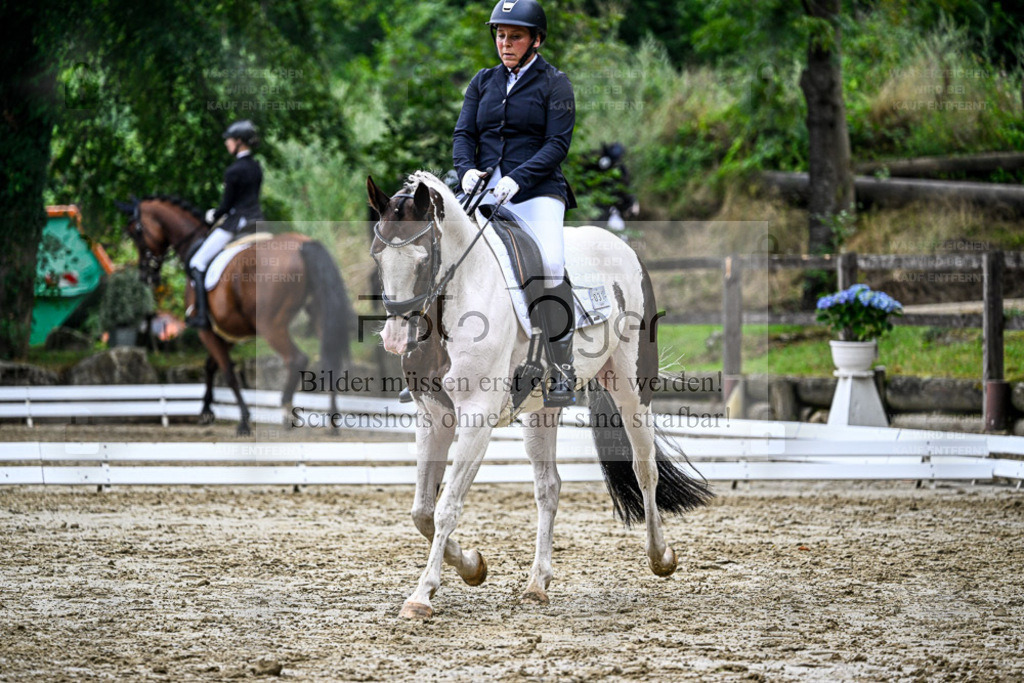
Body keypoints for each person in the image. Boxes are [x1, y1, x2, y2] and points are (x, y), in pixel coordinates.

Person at [453, 0, 577, 407]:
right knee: (441, 254)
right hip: (483, 189)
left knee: (551, 263)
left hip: (538, 191)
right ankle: (431, 360)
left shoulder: (555, 83)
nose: (505, 43)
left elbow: (557, 144)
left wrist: (518, 178)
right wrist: (467, 169)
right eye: (500, 35)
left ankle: (561, 367)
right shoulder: (482, 81)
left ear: (536, 39)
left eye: (515, 36)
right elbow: (463, 134)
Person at [185, 119, 265, 329]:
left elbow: (227, 205)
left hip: (236, 223)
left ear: (239, 142)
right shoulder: (256, 167)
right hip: (258, 220)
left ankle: (202, 315)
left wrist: (213, 214)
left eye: (229, 140)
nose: (227, 144)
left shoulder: (233, 171)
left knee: (198, 262)